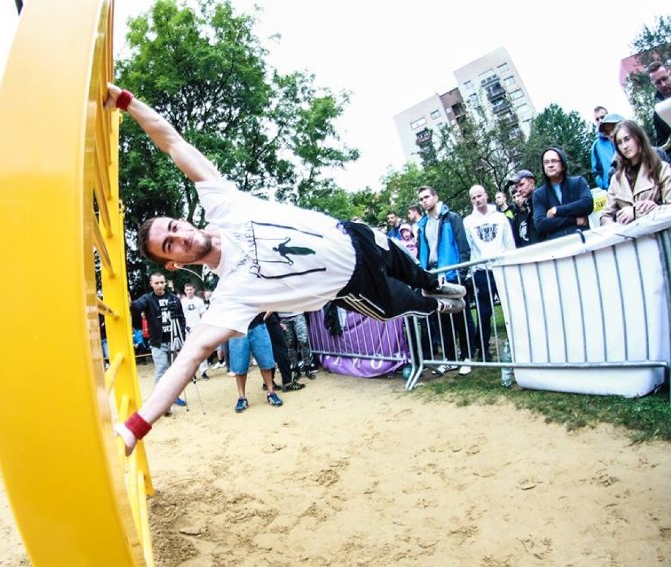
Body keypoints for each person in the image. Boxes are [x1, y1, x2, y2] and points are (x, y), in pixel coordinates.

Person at [104, 84, 465, 453]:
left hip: (357, 236)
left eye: (174, 227)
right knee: (405, 304)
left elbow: (173, 143)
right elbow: (189, 357)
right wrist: (135, 427)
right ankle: (435, 305)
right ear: (174, 262)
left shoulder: (223, 203)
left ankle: (436, 286)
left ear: (183, 220)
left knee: (417, 273)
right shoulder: (230, 297)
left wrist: (127, 103)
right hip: (355, 286)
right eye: (170, 245)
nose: (179, 237)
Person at [416, 185, 474, 375]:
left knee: (461, 317)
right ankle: (450, 358)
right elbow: (423, 251)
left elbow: (463, 247)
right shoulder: (423, 224)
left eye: (426, 197)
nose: (424, 201)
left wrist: (462, 273)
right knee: (442, 318)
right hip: (433, 277)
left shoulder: (452, 218)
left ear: (435, 196)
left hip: (452, 275)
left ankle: (467, 356)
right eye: (421, 199)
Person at [463, 185, 516, 361]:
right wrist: (472, 271)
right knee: (484, 312)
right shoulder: (468, 221)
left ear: (486, 196)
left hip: (502, 268)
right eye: (473, 198)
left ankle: (516, 344)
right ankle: (484, 350)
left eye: (480, 196)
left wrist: (511, 263)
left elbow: (509, 242)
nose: (477, 200)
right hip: (481, 271)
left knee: (511, 308)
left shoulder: (500, 218)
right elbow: (469, 247)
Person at [129, 273, 188, 409]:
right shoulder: (147, 299)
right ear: (151, 284)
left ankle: (174, 396)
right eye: (157, 283)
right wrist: (129, 301)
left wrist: (182, 337)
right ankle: (160, 402)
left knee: (175, 371)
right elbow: (136, 307)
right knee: (161, 370)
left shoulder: (173, 298)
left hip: (174, 340)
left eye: (162, 282)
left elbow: (181, 318)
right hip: (158, 342)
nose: (160, 285)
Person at [600, 120, 671, 225]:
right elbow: (605, 216)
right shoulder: (616, 179)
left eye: (627, 139)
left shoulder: (660, 168)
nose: (624, 146)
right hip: (632, 239)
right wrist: (616, 226)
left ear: (638, 138)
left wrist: (637, 213)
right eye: (619, 142)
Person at [532, 147, 593, 241]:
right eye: (546, 162)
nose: (550, 165)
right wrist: (574, 220)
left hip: (582, 241)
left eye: (554, 161)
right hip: (557, 247)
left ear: (563, 165)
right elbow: (541, 224)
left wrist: (556, 210)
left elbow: (587, 204)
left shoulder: (578, 182)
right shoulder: (539, 194)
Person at [229, 314, 283, 413]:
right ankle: (242, 397)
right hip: (237, 329)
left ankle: (271, 392)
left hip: (258, 325)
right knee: (239, 366)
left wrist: (265, 315)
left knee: (266, 362)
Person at [180, 282, 209, 380]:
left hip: (198, 329)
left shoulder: (199, 301)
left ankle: (203, 371)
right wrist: (185, 327)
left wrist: (201, 327)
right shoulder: (182, 302)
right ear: (185, 291)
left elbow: (203, 315)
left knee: (201, 350)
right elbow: (181, 317)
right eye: (187, 290)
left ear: (194, 290)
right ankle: (193, 374)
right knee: (189, 352)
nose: (189, 291)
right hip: (187, 330)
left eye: (190, 289)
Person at [506, 170, 540, 247]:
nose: (519, 190)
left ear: (531, 182)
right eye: (517, 187)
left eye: (521, 185)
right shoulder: (521, 211)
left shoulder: (542, 198)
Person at [278, 312, 316, 379]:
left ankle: (308, 368)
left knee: (303, 342)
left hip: (298, 314)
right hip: (283, 318)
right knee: (290, 345)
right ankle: (295, 371)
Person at [591, 112, 622, 190]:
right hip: (612, 188)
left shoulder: (625, 138)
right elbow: (596, 171)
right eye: (597, 119)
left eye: (602, 117)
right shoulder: (596, 146)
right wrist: (604, 185)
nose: (600, 120)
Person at [647, 61, 671, 148]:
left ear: (669, 73)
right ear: (653, 84)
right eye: (658, 82)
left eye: (664, 78)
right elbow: (663, 146)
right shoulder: (657, 114)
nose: (663, 85)